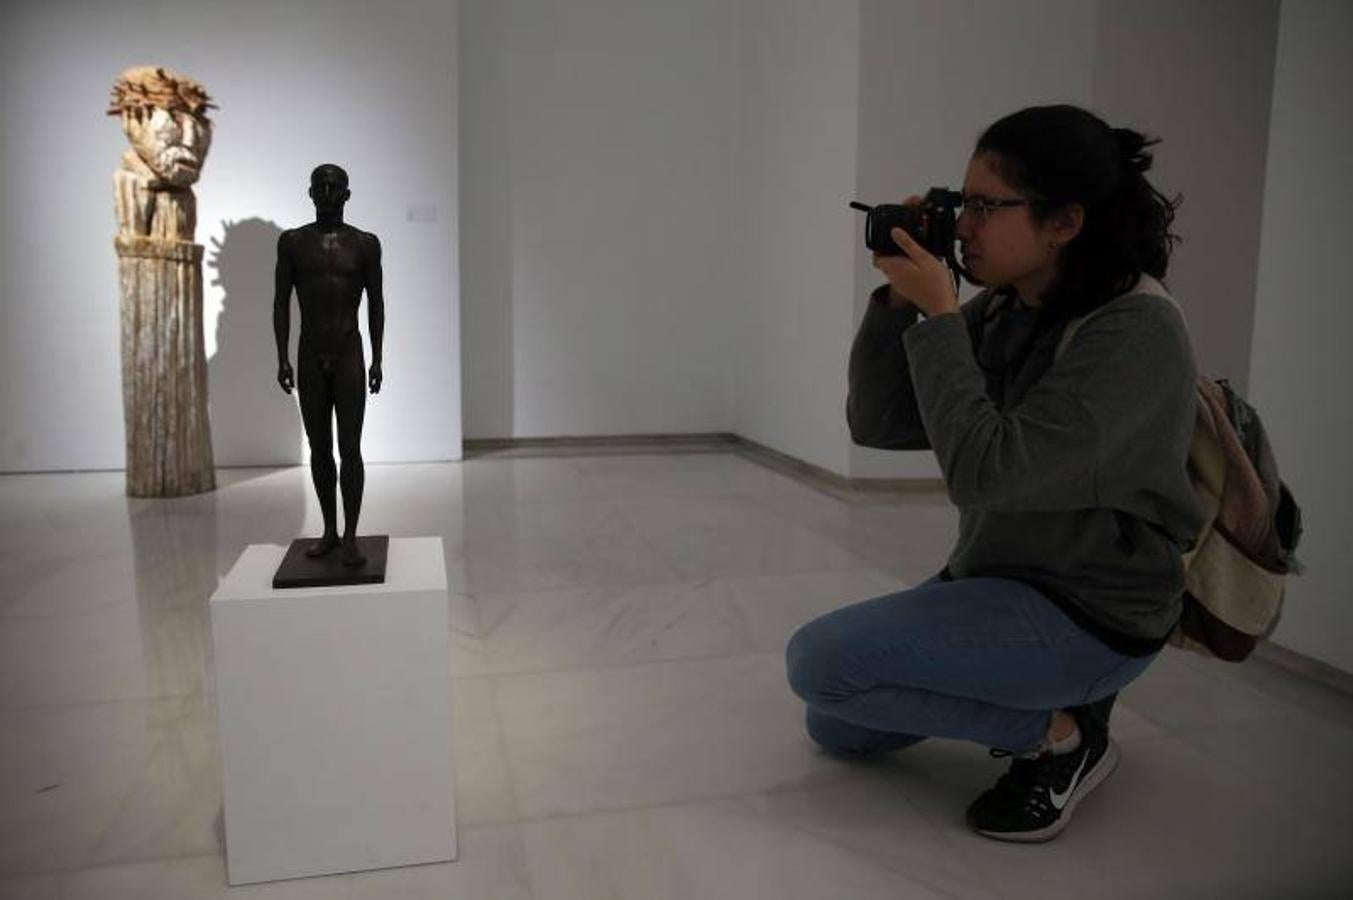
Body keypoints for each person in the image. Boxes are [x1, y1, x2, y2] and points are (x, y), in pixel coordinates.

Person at [785, 104, 1206, 843]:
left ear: (1063, 223)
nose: (962, 224)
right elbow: (878, 425)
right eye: (960, 203)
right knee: (838, 722)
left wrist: (943, 317)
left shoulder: (1135, 329)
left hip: (1090, 611)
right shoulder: (1009, 308)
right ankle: (1044, 705)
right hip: (1000, 577)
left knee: (819, 661)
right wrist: (896, 303)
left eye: (984, 206)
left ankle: (1063, 737)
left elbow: (988, 476)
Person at [273, 164, 385, 568]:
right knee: (320, 448)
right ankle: (329, 531)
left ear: (347, 194)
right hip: (309, 352)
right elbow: (280, 301)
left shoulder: (366, 244)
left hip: (350, 352)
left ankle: (352, 535)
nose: (327, 191)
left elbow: (376, 302)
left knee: (349, 448)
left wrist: (378, 358)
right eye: (320, 185)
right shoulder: (293, 242)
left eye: (334, 186)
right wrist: (281, 355)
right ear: (310, 193)